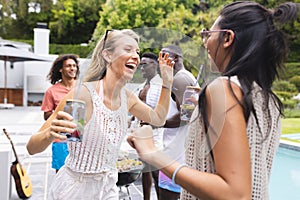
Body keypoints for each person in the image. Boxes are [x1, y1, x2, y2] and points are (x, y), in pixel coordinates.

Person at [128, 1, 299, 200]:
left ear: (227, 38)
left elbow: (235, 193)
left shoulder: (224, 89)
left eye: (208, 35)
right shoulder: (267, 99)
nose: (204, 43)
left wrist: (152, 154)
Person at [26, 29, 175, 200]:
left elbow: (158, 118)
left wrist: (167, 82)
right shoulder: (83, 95)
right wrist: (49, 133)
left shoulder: (127, 97)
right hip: (75, 190)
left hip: (108, 187)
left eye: (137, 52)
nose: (135, 56)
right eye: (128, 49)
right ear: (107, 55)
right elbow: (31, 148)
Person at [158, 45, 197, 200]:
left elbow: (186, 117)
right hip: (176, 151)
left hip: (177, 154)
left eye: (163, 57)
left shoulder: (181, 79)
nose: (160, 63)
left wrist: (158, 123)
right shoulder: (180, 77)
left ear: (174, 58)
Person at [41, 54, 79, 173]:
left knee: (81, 172)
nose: (72, 68)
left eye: (74, 65)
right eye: (68, 66)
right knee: (61, 172)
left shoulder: (83, 87)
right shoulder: (51, 91)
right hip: (61, 138)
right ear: (61, 69)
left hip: (81, 135)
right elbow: (46, 115)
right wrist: (61, 114)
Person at [134, 52, 162, 200]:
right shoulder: (141, 86)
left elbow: (163, 111)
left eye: (145, 64)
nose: (141, 67)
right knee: (145, 170)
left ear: (155, 65)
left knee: (156, 171)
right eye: (141, 64)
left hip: (156, 135)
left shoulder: (161, 87)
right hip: (141, 133)